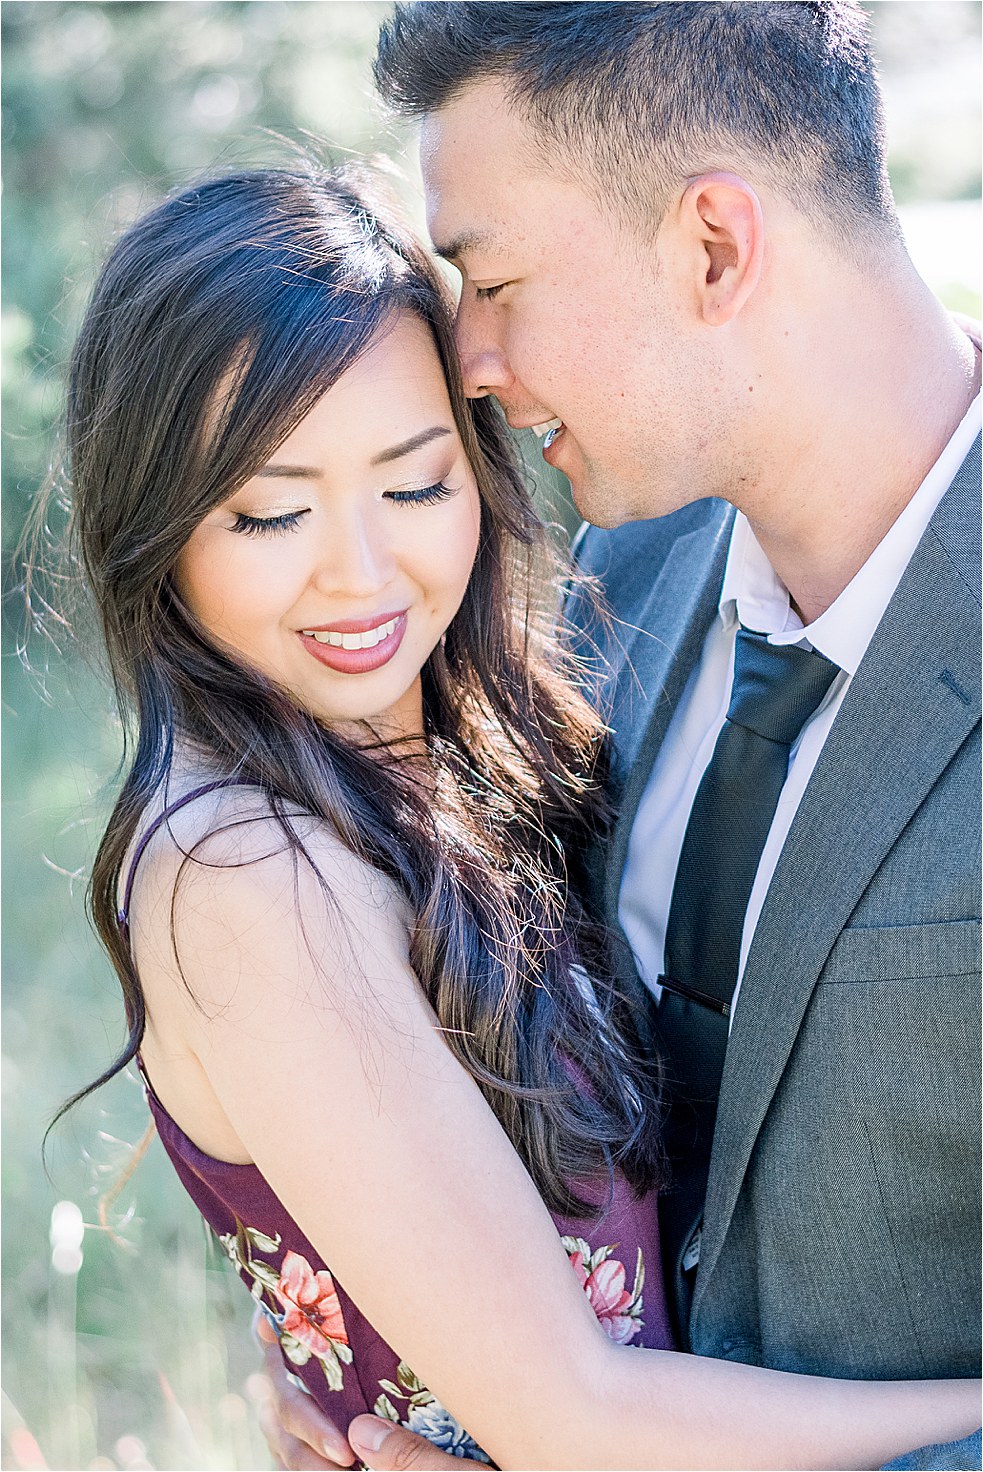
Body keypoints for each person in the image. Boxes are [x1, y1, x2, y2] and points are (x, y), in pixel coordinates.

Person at [57, 164, 978, 1472]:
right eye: (268, 509)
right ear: (158, 523)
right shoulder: (242, 866)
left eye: (415, 484)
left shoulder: (444, 761)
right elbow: (573, 1419)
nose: (362, 572)